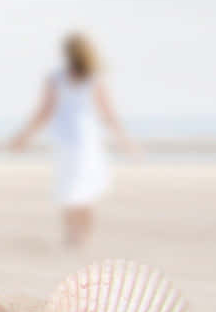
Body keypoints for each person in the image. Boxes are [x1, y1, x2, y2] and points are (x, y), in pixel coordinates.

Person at [10, 32, 136, 247]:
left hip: (70, 138)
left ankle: (74, 236)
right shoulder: (79, 79)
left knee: (72, 187)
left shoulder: (63, 79)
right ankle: (80, 237)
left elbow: (44, 112)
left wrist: (24, 137)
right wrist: (124, 140)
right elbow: (108, 114)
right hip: (83, 138)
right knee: (80, 188)